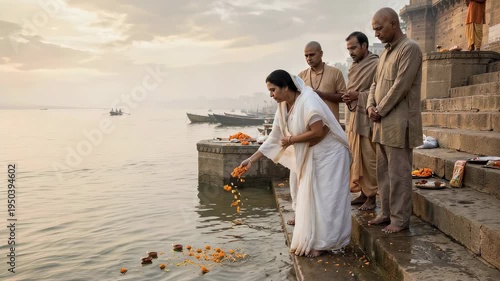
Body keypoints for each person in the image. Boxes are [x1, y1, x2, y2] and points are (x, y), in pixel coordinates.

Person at [240, 70, 351, 257]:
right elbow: (274, 138)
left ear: (285, 86)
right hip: (313, 152)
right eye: (269, 91)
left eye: (273, 90)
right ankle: (316, 240)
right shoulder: (282, 107)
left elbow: (318, 131)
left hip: (331, 154)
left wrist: (292, 140)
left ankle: (328, 242)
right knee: (312, 196)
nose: (271, 95)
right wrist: (251, 160)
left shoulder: (308, 100)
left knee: (328, 199)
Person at [366, 8, 423, 233]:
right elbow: (374, 84)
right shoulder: (384, 53)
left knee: (398, 174)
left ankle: (400, 220)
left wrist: (379, 109)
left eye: (379, 28)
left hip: (399, 123)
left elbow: (401, 85)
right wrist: (370, 105)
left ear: (393, 23)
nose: (376, 34)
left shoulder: (410, 48)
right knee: (383, 173)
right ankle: (386, 213)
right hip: (381, 124)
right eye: (374, 30)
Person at [342, 31, 379, 211]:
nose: (351, 52)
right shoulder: (354, 68)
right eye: (349, 48)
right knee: (357, 157)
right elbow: (353, 89)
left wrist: (359, 96)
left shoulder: (376, 64)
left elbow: (379, 92)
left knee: (369, 158)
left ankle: (372, 197)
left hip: (368, 119)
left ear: (365, 46)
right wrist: (349, 97)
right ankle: (363, 193)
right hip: (354, 118)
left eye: (354, 47)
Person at [298, 41, 347, 122]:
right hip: (310, 126)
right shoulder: (301, 76)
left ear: (321, 54)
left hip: (331, 125)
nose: (308, 58)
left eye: (312, 55)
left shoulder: (335, 72)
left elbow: (343, 97)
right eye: (306, 56)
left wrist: (323, 95)